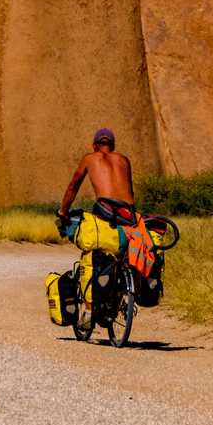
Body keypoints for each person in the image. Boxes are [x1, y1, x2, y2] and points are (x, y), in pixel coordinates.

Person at [57, 129, 138, 312]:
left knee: (91, 253)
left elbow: (73, 186)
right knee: (120, 253)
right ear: (113, 146)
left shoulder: (90, 158)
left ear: (95, 146)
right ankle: (119, 296)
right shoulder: (124, 159)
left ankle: (88, 310)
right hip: (128, 215)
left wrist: (63, 211)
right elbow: (130, 191)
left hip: (106, 212)